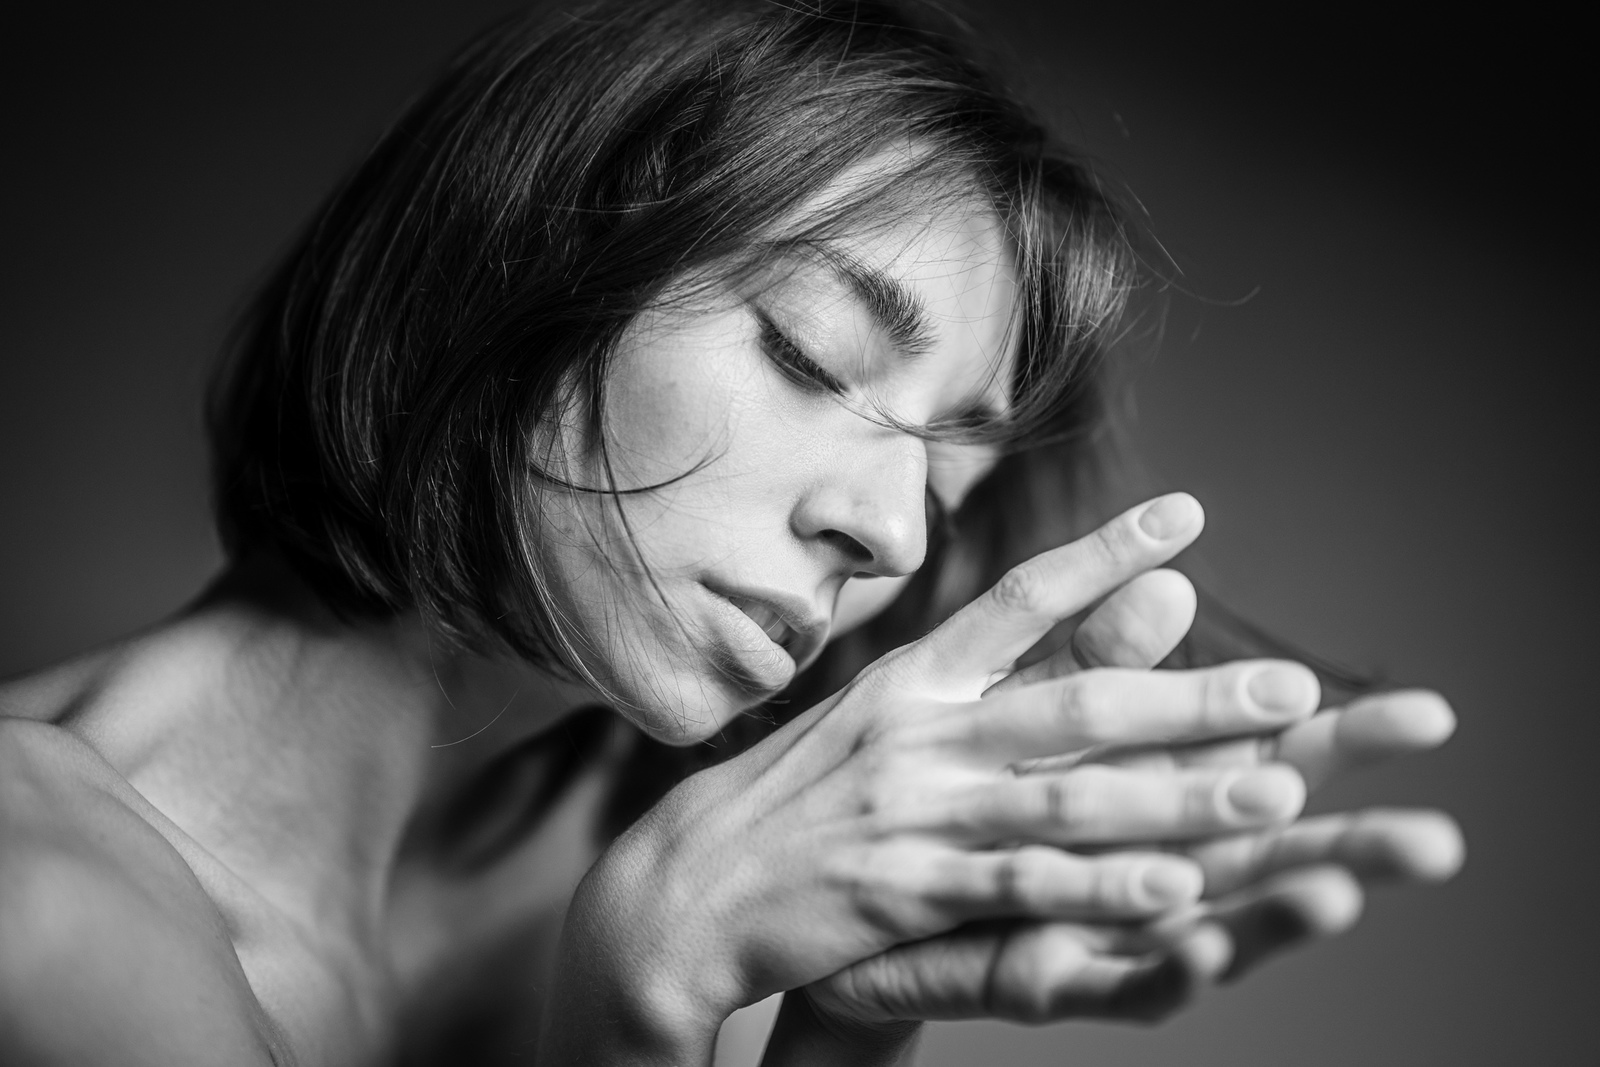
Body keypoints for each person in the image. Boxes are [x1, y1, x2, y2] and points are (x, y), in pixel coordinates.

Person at [0, 1, 1463, 1064]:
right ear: (514, 262)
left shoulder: (677, 867)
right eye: (816, 359)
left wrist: (837, 1036)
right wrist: (635, 1000)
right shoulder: (39, 914)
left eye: (949, 477)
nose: (889, 529)